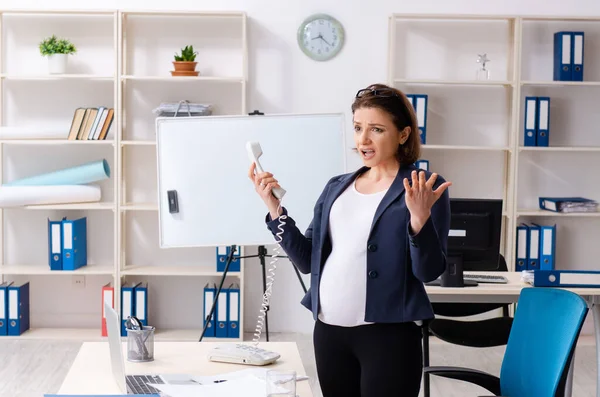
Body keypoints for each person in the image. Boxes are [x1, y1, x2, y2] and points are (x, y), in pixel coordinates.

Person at [248, 83, 452, 397]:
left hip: (389, 337)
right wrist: (275, 210)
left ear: (403, 134)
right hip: (329, 333)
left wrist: (419, 220)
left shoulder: (423, 189)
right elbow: (306, 260)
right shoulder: (336, 187)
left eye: (377, 129)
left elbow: (429, 271)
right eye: (358, 128)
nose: (363, 139)